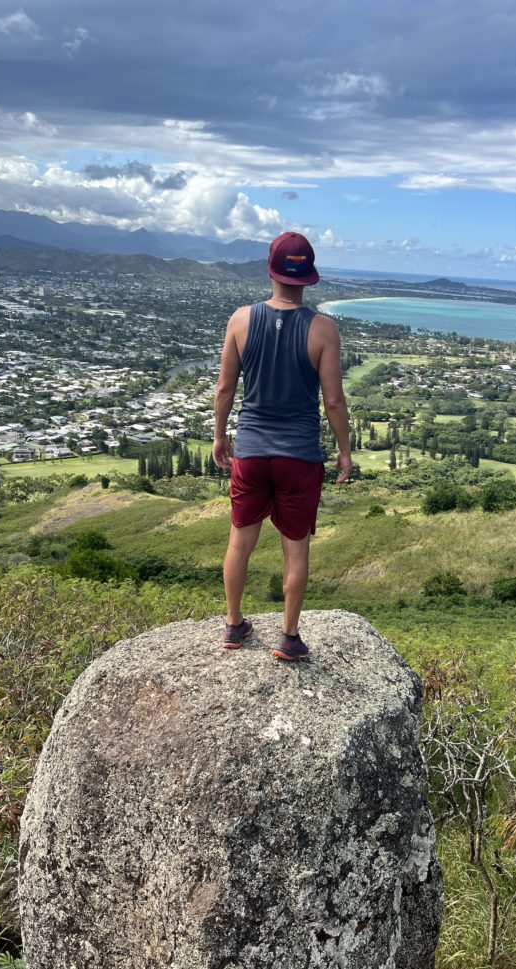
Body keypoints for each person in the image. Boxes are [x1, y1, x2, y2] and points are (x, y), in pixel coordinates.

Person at [213, 231, 351, 661]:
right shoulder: (323, 329)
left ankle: (234, 625)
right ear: (309, 277)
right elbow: (332, 400)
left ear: (270, 271)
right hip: (299, 457)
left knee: (240, 543)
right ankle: (288, 637)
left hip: (251, 451)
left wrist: (220, 436)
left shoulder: (240, 320)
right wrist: (345, 451)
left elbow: (224, 388)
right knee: (296, 549)